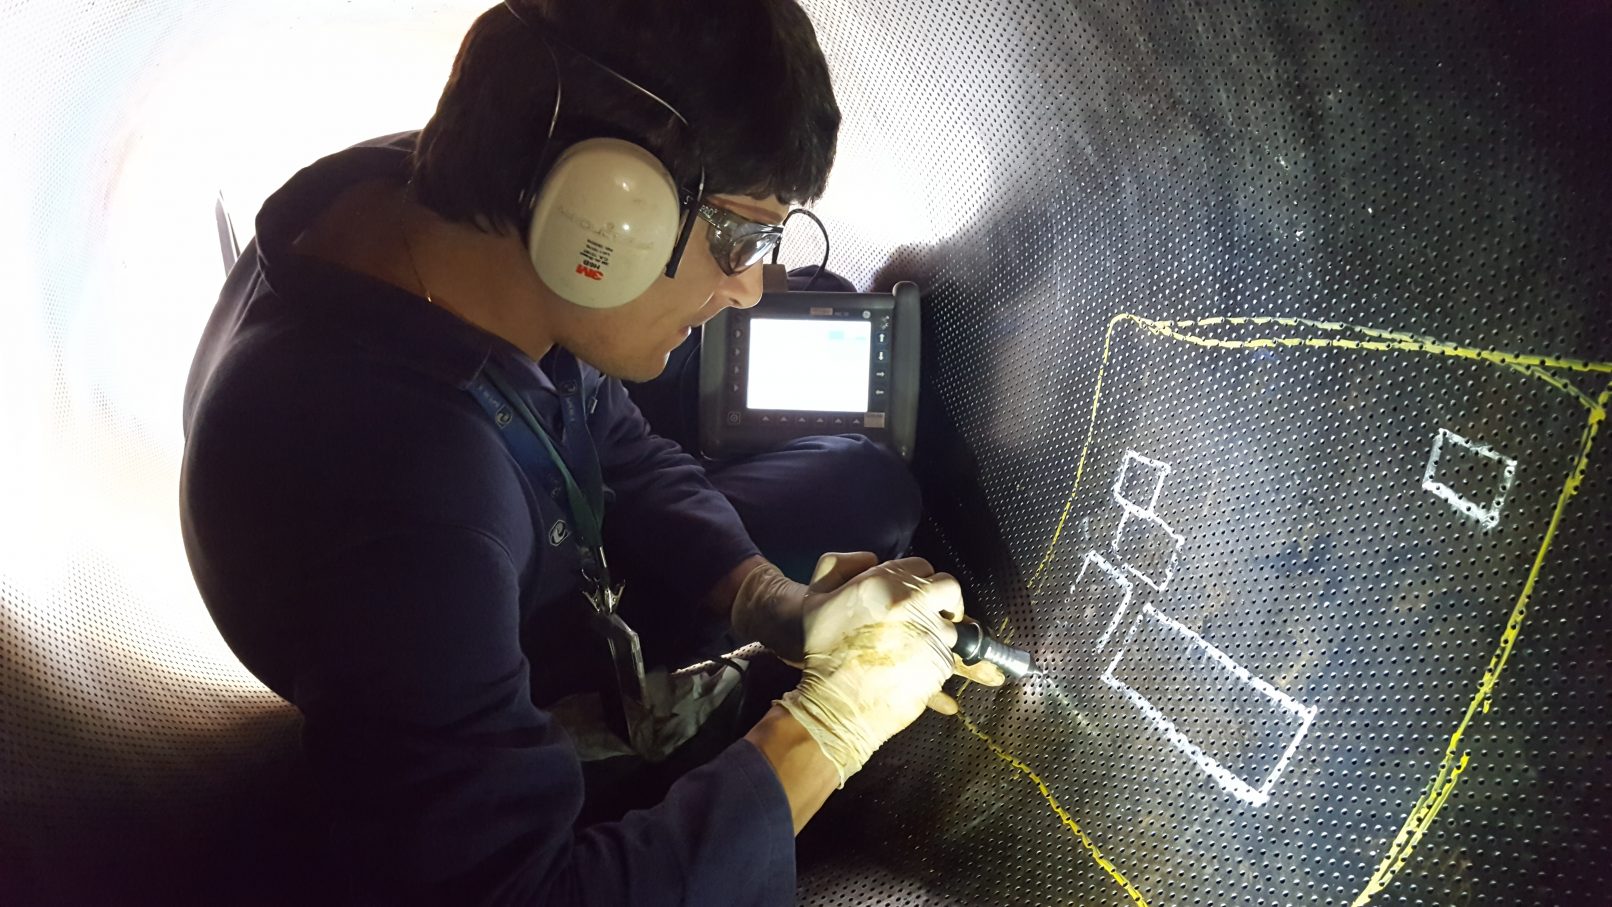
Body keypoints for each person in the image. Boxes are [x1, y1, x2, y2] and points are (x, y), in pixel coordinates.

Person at [179, 0, 998, 903]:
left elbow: (604, 430)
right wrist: (826, 729)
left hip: (507, 551)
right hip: (482, 640)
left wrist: (772, 600)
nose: (751, 287)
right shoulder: (402, 502)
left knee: (861, 485)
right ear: (609, 203)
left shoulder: (460, 207)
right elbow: (523, 894)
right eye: (738, 237)